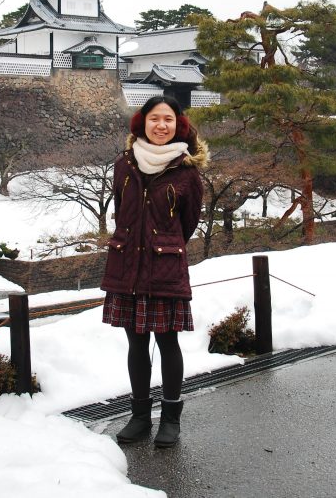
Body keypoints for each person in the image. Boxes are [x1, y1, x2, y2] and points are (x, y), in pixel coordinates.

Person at [101, 95, 208, 448]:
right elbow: (122, 211)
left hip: (164, 268)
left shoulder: (187, 172)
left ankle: (171, 418)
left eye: (168, 119)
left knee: (167, 343)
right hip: (127, 265)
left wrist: (162, 244)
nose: (161, 125)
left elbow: (187, 225)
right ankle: (140, 416)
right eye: (154, 119)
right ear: (141, 124)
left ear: (180, 125)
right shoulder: (124, 164)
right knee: (135, 343)